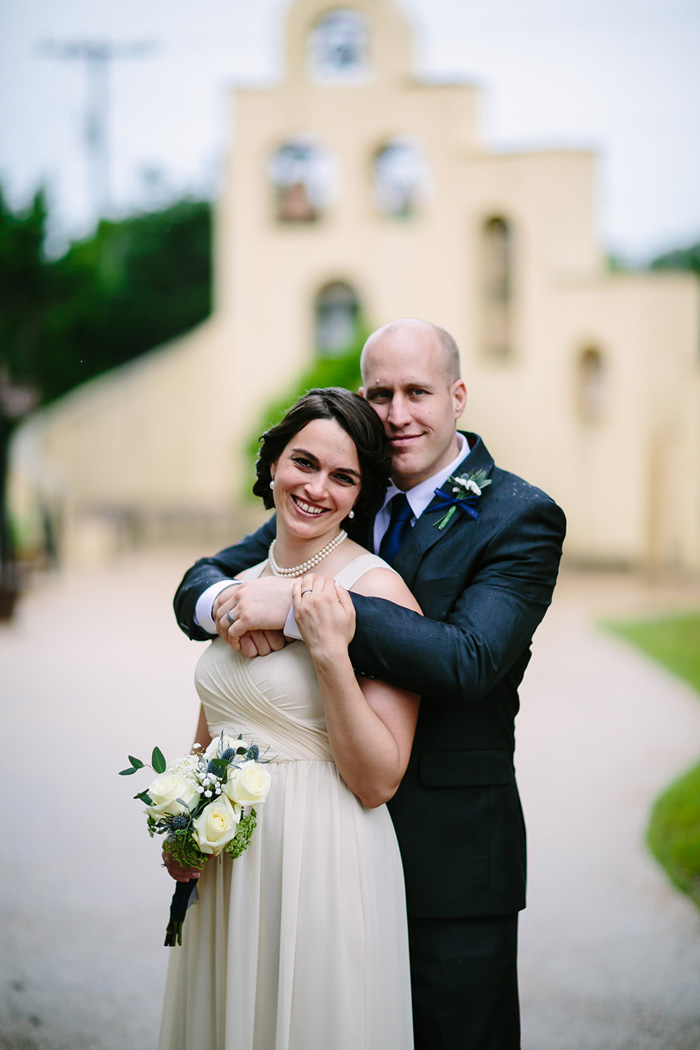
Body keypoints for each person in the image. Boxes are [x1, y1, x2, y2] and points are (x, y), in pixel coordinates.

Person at [174, 318, 567, 1050]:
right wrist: (224, 608)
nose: (396, 412)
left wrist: (298, 611)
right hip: (318, 851)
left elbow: (469, 661)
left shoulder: (520, 516)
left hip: (449, 851)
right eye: (380, 392)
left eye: (417, 392)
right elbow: (200, 582)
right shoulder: (341, 493)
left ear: (458, 396)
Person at [160, 388, 421, 1050]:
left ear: (361, 494)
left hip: (322, 860)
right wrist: (184, 822)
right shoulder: (241, 582)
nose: (316, 489)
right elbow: (216, 719)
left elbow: (378, 781)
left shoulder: (379, 590)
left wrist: (329, 650)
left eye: (343, 477)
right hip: (230, 862)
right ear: (272, 462)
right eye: (303, 463)